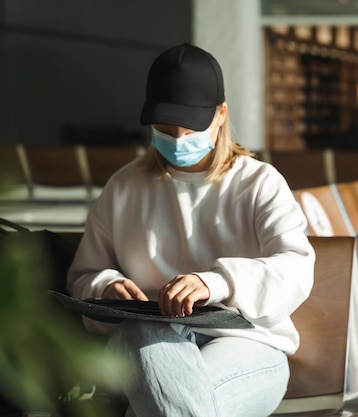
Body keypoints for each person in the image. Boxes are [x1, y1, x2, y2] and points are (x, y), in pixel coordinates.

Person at [67, 43, 316, 417]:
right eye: (165, 129)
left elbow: (296, 267)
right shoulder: (125, 187)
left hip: (247, 342)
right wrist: (106, 288)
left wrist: (215, 283)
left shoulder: (257, 183)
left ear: (221, 115)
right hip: (143, 346)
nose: (178, 140)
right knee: (141, 332)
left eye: (190, 128)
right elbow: (84, 276)